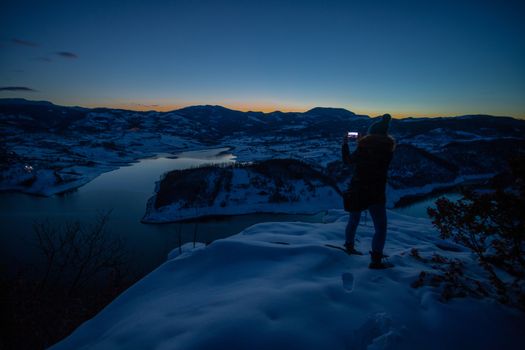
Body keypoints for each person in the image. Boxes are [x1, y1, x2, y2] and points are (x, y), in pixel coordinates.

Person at [341, 114, 395, 269]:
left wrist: (345, 143)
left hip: (357, 189)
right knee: (380, 227)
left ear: (371, 133)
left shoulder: (363, 148)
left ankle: (349, 247)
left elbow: (347, 161)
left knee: (353, 221)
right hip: (376, 192)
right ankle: (376, 260)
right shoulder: (388, 150)